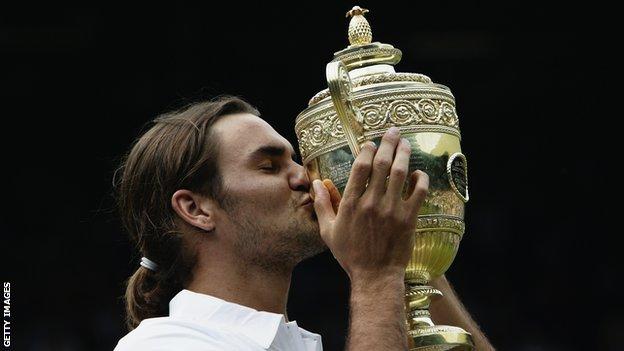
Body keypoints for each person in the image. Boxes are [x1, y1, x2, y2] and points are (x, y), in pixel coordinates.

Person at [113, 96, 493, 350]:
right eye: (269, 166)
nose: (304, 178)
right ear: (196, 209)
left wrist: (412, 251)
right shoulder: (165, 344)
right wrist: (376, 275)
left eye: (297, 161)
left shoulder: (300, 345)